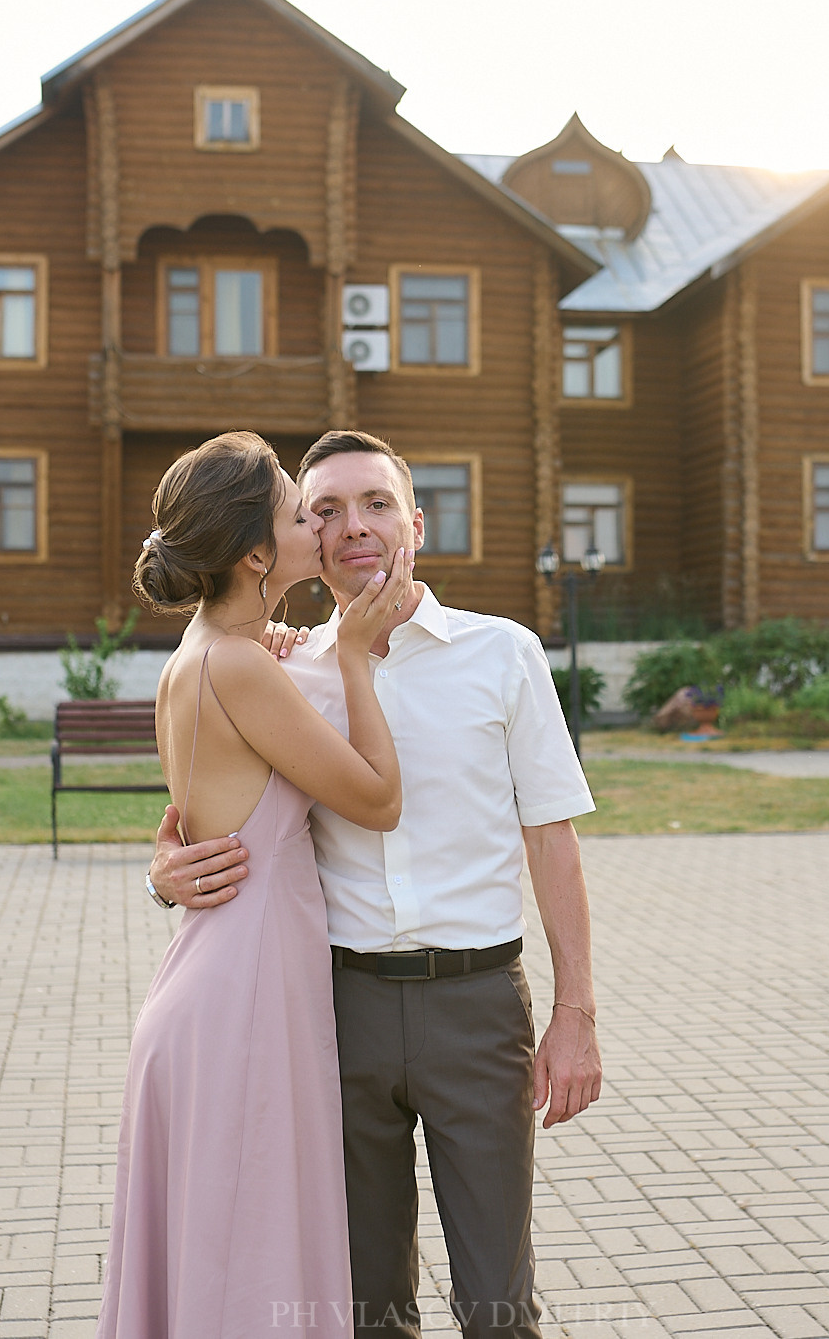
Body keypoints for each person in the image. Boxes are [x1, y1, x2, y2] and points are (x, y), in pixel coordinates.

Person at [148, 430, 604, 1339]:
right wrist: (165, 873)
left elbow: (552, 838)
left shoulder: (504, 653)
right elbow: (210, 803)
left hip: (479, 1009)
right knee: (364, 1308)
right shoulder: (280, 666)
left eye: (376, 504)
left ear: (415, 525)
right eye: (324, 510)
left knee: (498, 1305)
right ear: (299, 540)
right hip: (335, 1012)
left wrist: (576, 1013)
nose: (353, 525)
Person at [96, 431, 416, 1339]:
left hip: (219, 975)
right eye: (299, 513)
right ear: (256, 555)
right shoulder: (237, 665)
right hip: (246, 994)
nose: (321, 525)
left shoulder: (208, 653)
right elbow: (378, 801)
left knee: (226, 1246)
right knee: (248, 1251)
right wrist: (351, 657)